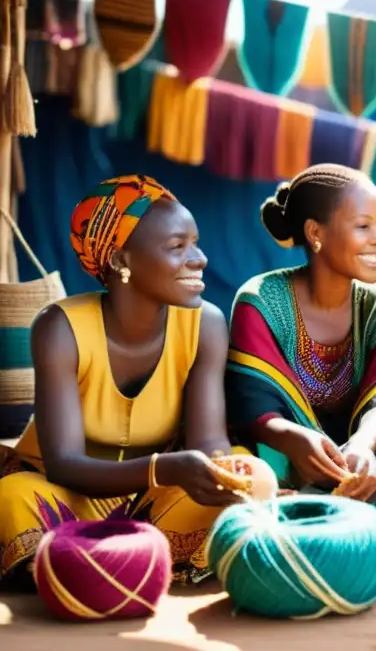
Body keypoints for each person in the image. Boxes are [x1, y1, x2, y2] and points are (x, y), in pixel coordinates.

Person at [0, 175, 249, 590]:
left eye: (196, 242)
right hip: (66, 494)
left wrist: (221, 470)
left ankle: (90, 564)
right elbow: (63, 463)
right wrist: (161, 468)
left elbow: (209, 443)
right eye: (177, 247)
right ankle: (128, 559)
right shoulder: (59, 327)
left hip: (161, 498)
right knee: (11, 497)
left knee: (252, 475)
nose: (200, 258)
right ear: (119, 261)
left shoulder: (206, 323)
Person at [224, 164, 376, 529]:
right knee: (242, 469)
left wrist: (361, 448)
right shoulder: (260, 300)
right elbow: (252, 403)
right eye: (363, 226)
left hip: (371, 454)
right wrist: (292, 440)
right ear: (315, 232)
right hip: (280, 455)